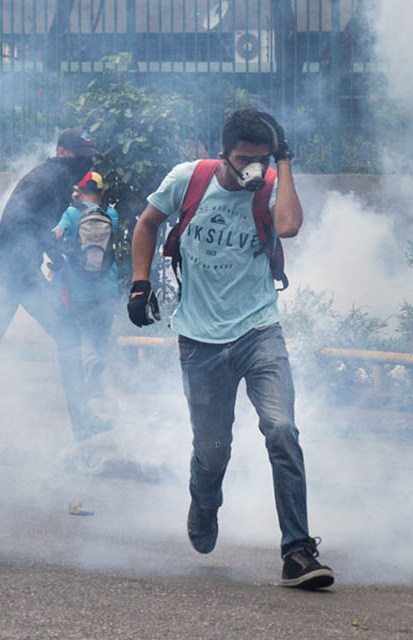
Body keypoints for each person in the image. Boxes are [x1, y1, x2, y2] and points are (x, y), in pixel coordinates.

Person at [126, 108, 334, 590]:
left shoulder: (268, 184)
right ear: (222, 153)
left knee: (282, 431)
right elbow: (146, 224)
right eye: (244, 160)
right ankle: (204, 501)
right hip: (199, 342)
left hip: (259, 332)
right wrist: (140, 285)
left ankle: (298, 552)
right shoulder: (188, 179)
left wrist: (283, 164)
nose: (252, 170)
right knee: (213, 451)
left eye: (262, 159)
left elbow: (288, 228)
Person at [0, 129, 107, 439]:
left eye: (90, 160)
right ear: (63, 153)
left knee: (66, 333)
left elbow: (33, 226)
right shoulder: (47, 178)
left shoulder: (57, 180)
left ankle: (83, 422)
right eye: (82, 159)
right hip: (5, 273)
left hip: (21, 274)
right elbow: (14, 224)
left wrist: (53, 253)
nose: (87, 166)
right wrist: (49, 246)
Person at [49, 171, 121, 418]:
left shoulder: (71, 213)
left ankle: (88, 366)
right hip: (107, 287)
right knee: (101, 333)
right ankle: (96, 378)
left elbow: (56, 236)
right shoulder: (111, 214)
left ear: (79, 191)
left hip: (78, 287)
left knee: (81, 332)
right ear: (101, 192)